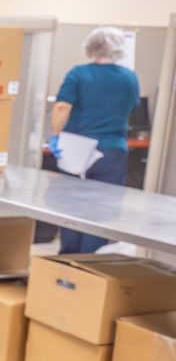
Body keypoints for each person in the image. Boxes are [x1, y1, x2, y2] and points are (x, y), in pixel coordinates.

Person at [48, 26, 140, 253]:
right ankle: (92, 261)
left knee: (71, 207)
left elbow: (61, 107)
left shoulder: (78, 74)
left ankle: (68, 259)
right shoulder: (129, 78)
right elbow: (133, 107)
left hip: (77, 150)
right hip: (112, 152)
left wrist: (55, 136)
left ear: (91, 47)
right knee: (100, 210)